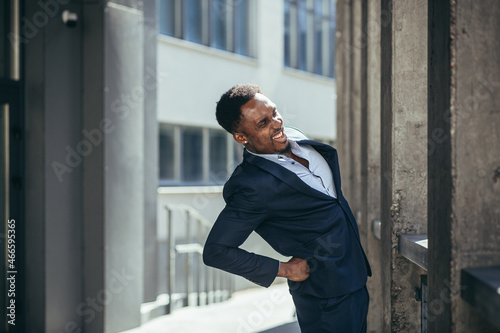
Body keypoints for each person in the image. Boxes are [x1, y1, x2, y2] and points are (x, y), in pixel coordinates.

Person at [203, 84, 371, 333]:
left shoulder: (294, 137)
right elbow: (216, 251)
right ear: (242, 137)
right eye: (263, 123)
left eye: (274, 112)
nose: (277, 123)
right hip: (325, 296)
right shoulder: (251, 186)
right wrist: (285, 269)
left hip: (354, 277)